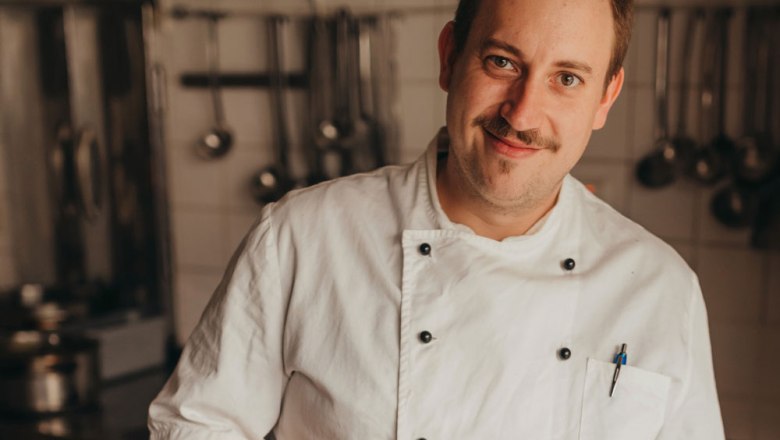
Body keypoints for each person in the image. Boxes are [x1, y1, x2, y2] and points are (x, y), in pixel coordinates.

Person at [149, 0, 725, 438]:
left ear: (606, 97)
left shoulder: (659, 286)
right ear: (450, 57)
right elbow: (197, 427)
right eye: (502, 62)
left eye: (566, 78)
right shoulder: (303, 237)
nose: (523, 112)